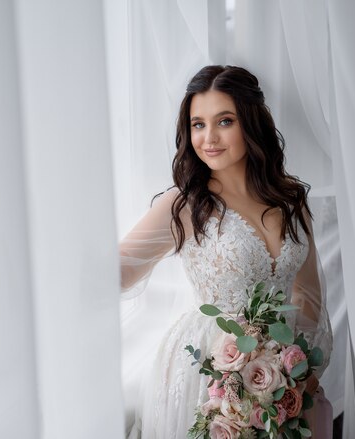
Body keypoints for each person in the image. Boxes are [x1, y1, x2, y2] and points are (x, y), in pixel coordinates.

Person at [121, 65, 333, 438]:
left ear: (251, 123)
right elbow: (118, 270)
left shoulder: (290, 199)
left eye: (224, 121)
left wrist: (297, 368)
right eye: (197, 124)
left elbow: (306, 292)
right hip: (206, 368)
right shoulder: (187, 205)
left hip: (279, 370)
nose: (208, 138)